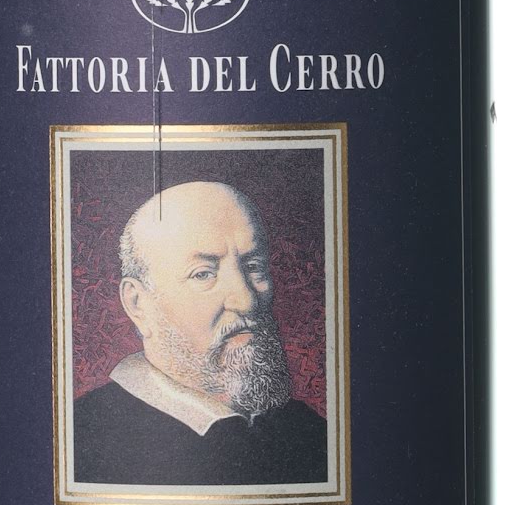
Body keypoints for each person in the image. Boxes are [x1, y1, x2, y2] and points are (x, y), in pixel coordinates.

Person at [71, 180, 329, 487]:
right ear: (138, 303)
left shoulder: (309, 431)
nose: (245, 300)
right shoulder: (81, 436)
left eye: (253, 266)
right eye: (203, 274)